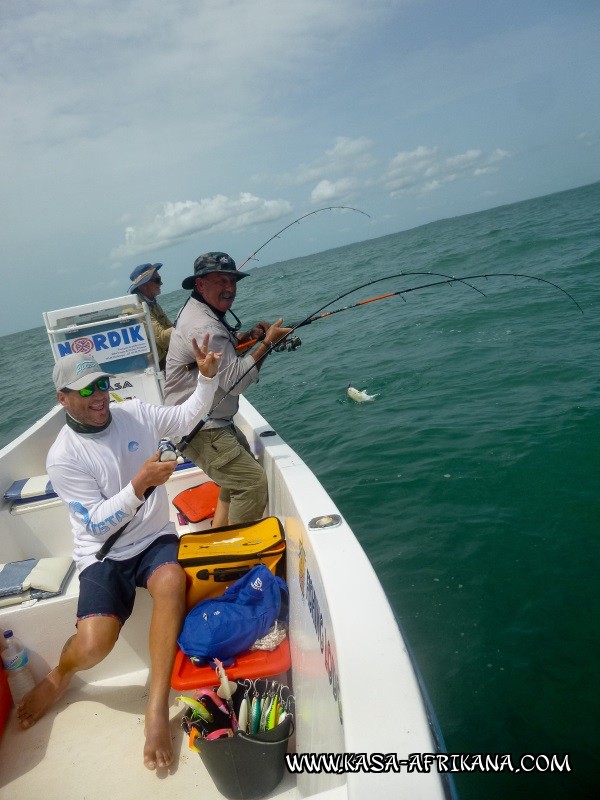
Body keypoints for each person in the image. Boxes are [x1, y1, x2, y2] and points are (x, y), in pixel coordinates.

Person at [16, 336, 221, 772]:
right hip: (103, 553)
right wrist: (141, 483)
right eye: (85, 390)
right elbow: (94, 523)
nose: (98, 397)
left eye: (102, 384)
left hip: (152, 538)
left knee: (171, 580)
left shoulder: (135, 414)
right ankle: (60, 674)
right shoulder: (63, 457)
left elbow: (185, 417)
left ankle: (155, 709)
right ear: (62, 398)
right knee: (93, 647)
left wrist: (206, 380)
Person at [164, 252, 291, 528]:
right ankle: (234, 554)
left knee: (237, 475)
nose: (230, 288)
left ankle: (218, 534)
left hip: (205, 419)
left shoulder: (200, 311)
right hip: (199, 426)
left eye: (232, 280)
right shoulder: (203, 325)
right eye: (220, 280)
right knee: (251, 483)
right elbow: (237, 380)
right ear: (200, 285)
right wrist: (267, 344)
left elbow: (223, 352)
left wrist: (249, 337)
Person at [129, 262, 174, 369]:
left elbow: (169, 327)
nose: (161, 283)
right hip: (154, 366)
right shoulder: (138, 309)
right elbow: (163, 339)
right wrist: (186, 323)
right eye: (157, 280)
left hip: (164, 357)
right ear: (144, 286)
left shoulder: (152, 303)